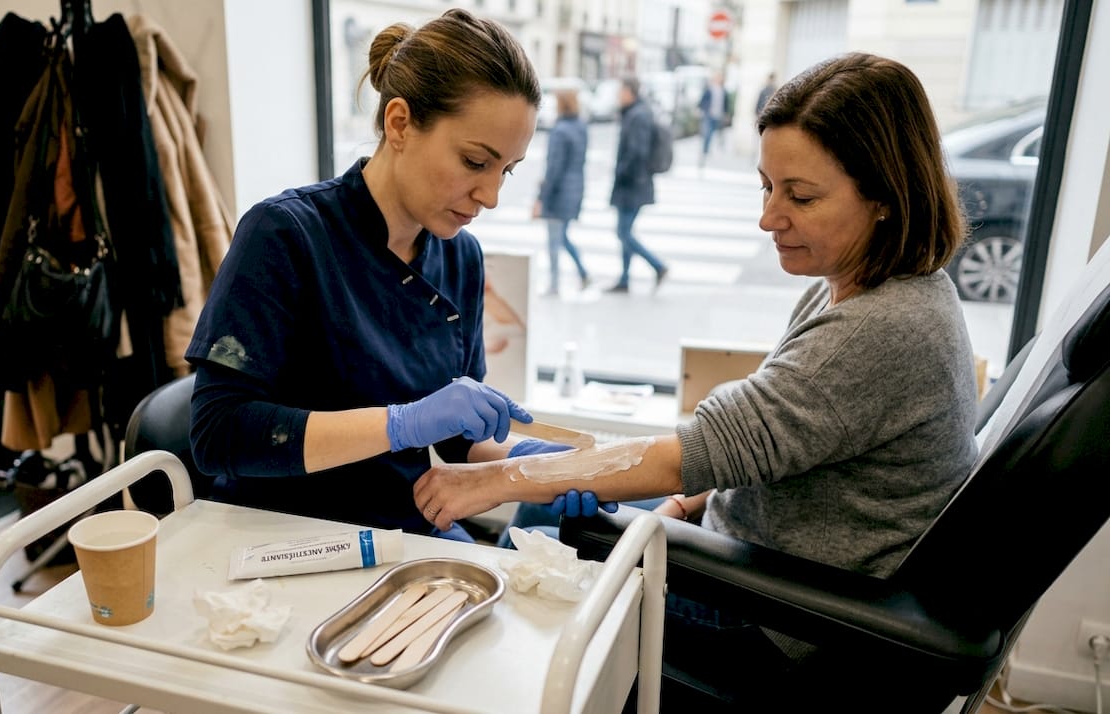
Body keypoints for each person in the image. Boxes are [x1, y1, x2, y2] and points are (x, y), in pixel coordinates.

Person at [413, 52, 979, 703]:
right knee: (542, 534)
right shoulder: (872, 287)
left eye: (800, 196)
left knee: (526, 568)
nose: (769, 217)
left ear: (885, 195)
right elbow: (769, 444)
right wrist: (690, 504)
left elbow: (698, 452)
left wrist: (491, 480)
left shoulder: (883, 328)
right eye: (767, 187)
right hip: (751, 555)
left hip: (776, 622)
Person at [186, 9, 547, 543]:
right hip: (279, 535)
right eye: (475, 162)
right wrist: (399, 423)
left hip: (399, 526)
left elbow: (454, 442)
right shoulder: (285, 236)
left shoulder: (460, 258)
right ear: (399, 123)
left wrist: (534, 468)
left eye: (506, 171)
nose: (491, 196)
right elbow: (219, 434)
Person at [606, 75, 668, 294]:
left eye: (619, 91)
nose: (617, 96)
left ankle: (658, 266)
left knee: (623, 232)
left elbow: (637, 152)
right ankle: (624, 278)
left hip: (633, 185)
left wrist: (622, 172)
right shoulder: (634, 113)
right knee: (624, 231)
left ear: (629, 92)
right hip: (633, 184)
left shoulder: (638, 116)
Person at [534, 88, 590, 295]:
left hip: (559, 193)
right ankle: (583, 272)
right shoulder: (581, 127)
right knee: (562, 237)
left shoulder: (559, 131)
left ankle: (555, 284)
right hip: (576, 188)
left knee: (554, 241)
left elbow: (554, 168)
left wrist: (542, 197)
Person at [697, 70, 730, 168]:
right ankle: (705, 151)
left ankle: (711, 149)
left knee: (716, 134)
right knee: (707, 133)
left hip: (718, 116)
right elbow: (702, 100)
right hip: (709, 115)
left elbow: (726, 104)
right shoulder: (709, 89)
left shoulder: (724, 90)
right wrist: (700, 109)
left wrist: (726, 114)